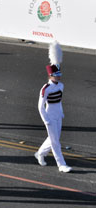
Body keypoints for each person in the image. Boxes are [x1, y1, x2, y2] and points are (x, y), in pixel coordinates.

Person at [35, 41, 72, 173]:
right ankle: (61, 164)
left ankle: (40, 153)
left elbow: (59, 102)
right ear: (50, 75)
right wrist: (46, 120)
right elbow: (40, 106)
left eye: (59, 74)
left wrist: (61, 113)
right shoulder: (46, 89)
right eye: (56, 75)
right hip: (49, 116)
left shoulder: (61, 86)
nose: (59, 77)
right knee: (55, 142)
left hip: (58, 115)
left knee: (53, 138)